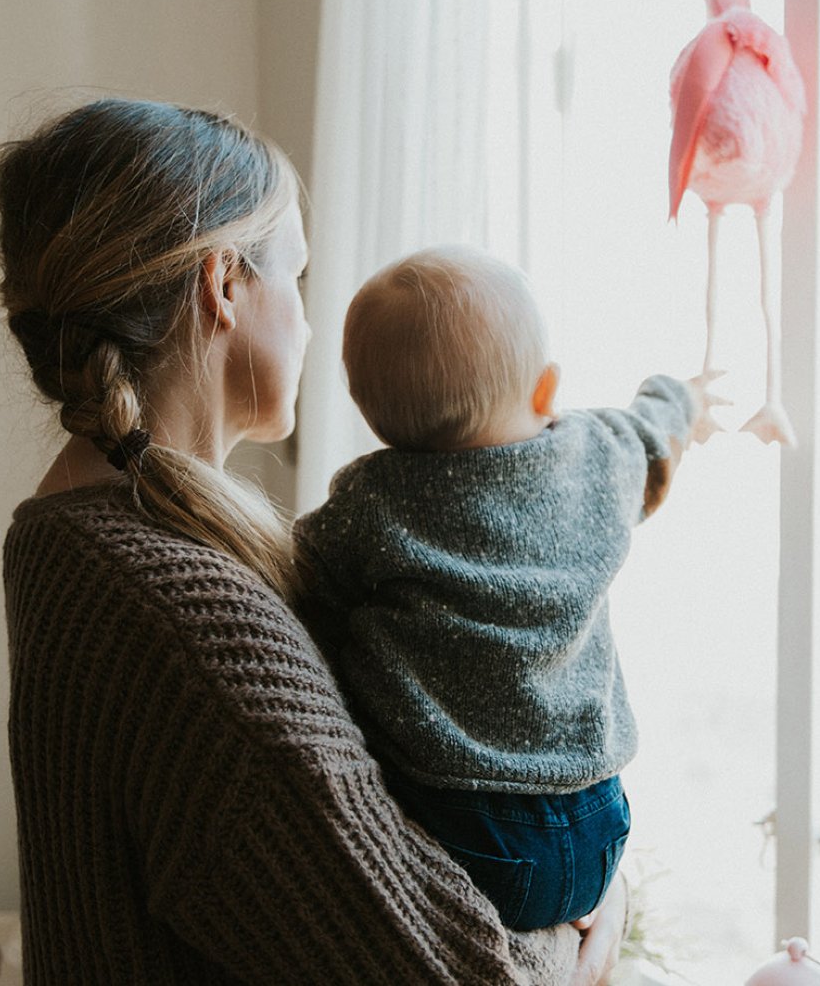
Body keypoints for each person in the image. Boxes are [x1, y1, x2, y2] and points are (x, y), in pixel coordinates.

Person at [0, 98, 624, 984]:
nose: (312, 323)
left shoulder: (70, 536)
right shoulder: (183, 614)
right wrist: (592, 924)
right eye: (297, 277)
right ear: (224, 286)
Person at [290, 246, 716, 932]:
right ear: (545, 390)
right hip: (599, 824)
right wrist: (682, 395)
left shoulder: (374, 500)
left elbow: (296, 578)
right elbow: (651, 436)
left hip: (462, 829)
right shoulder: (594, 457)